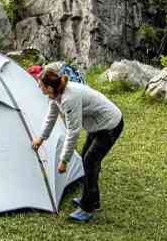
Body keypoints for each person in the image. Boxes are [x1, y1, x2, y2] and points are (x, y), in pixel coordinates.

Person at [31, 65, 124, 223]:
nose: (38, 86)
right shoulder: (55, 95)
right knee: (87, 159)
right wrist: (41, 138)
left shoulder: (69, 98)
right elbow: (51, 117)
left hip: (110, 125)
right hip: (97, 125)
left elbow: (73, 132)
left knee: (90, 161)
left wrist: (64, 160)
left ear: (49, 87)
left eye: (40, 84)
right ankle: (92, 199)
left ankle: (88, 208)